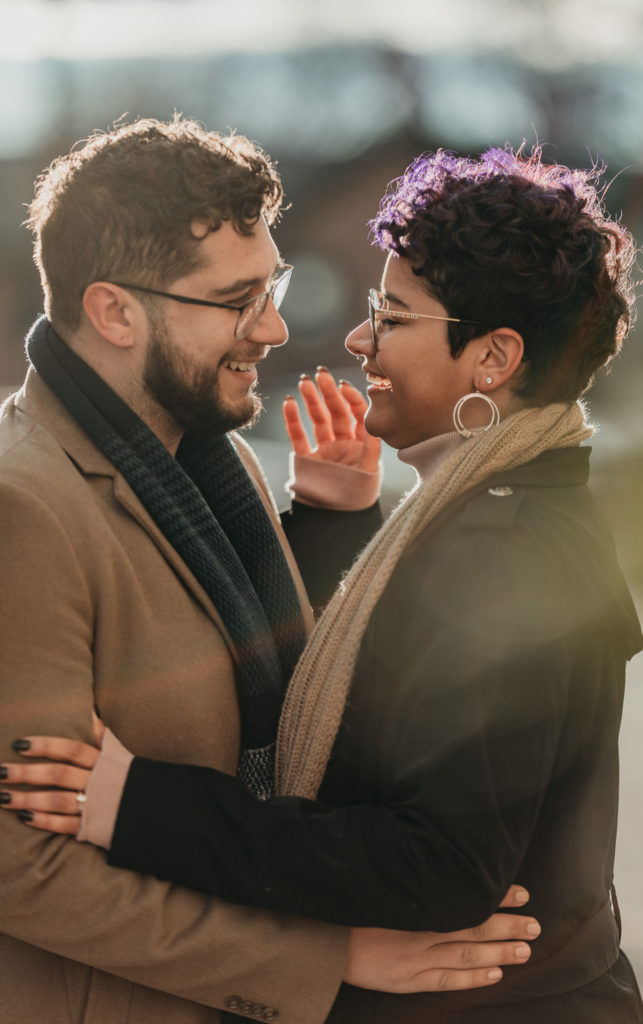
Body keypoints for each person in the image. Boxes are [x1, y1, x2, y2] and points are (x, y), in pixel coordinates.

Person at [5, 142, 642, 1024]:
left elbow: (416, 815)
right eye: (238, 300)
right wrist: (337, 526)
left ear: (492, 360)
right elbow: (19, 866)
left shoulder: (493, 544)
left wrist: (141, 803)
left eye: (275, 290)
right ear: (113, 312)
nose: (278, 330)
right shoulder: (28, 505)